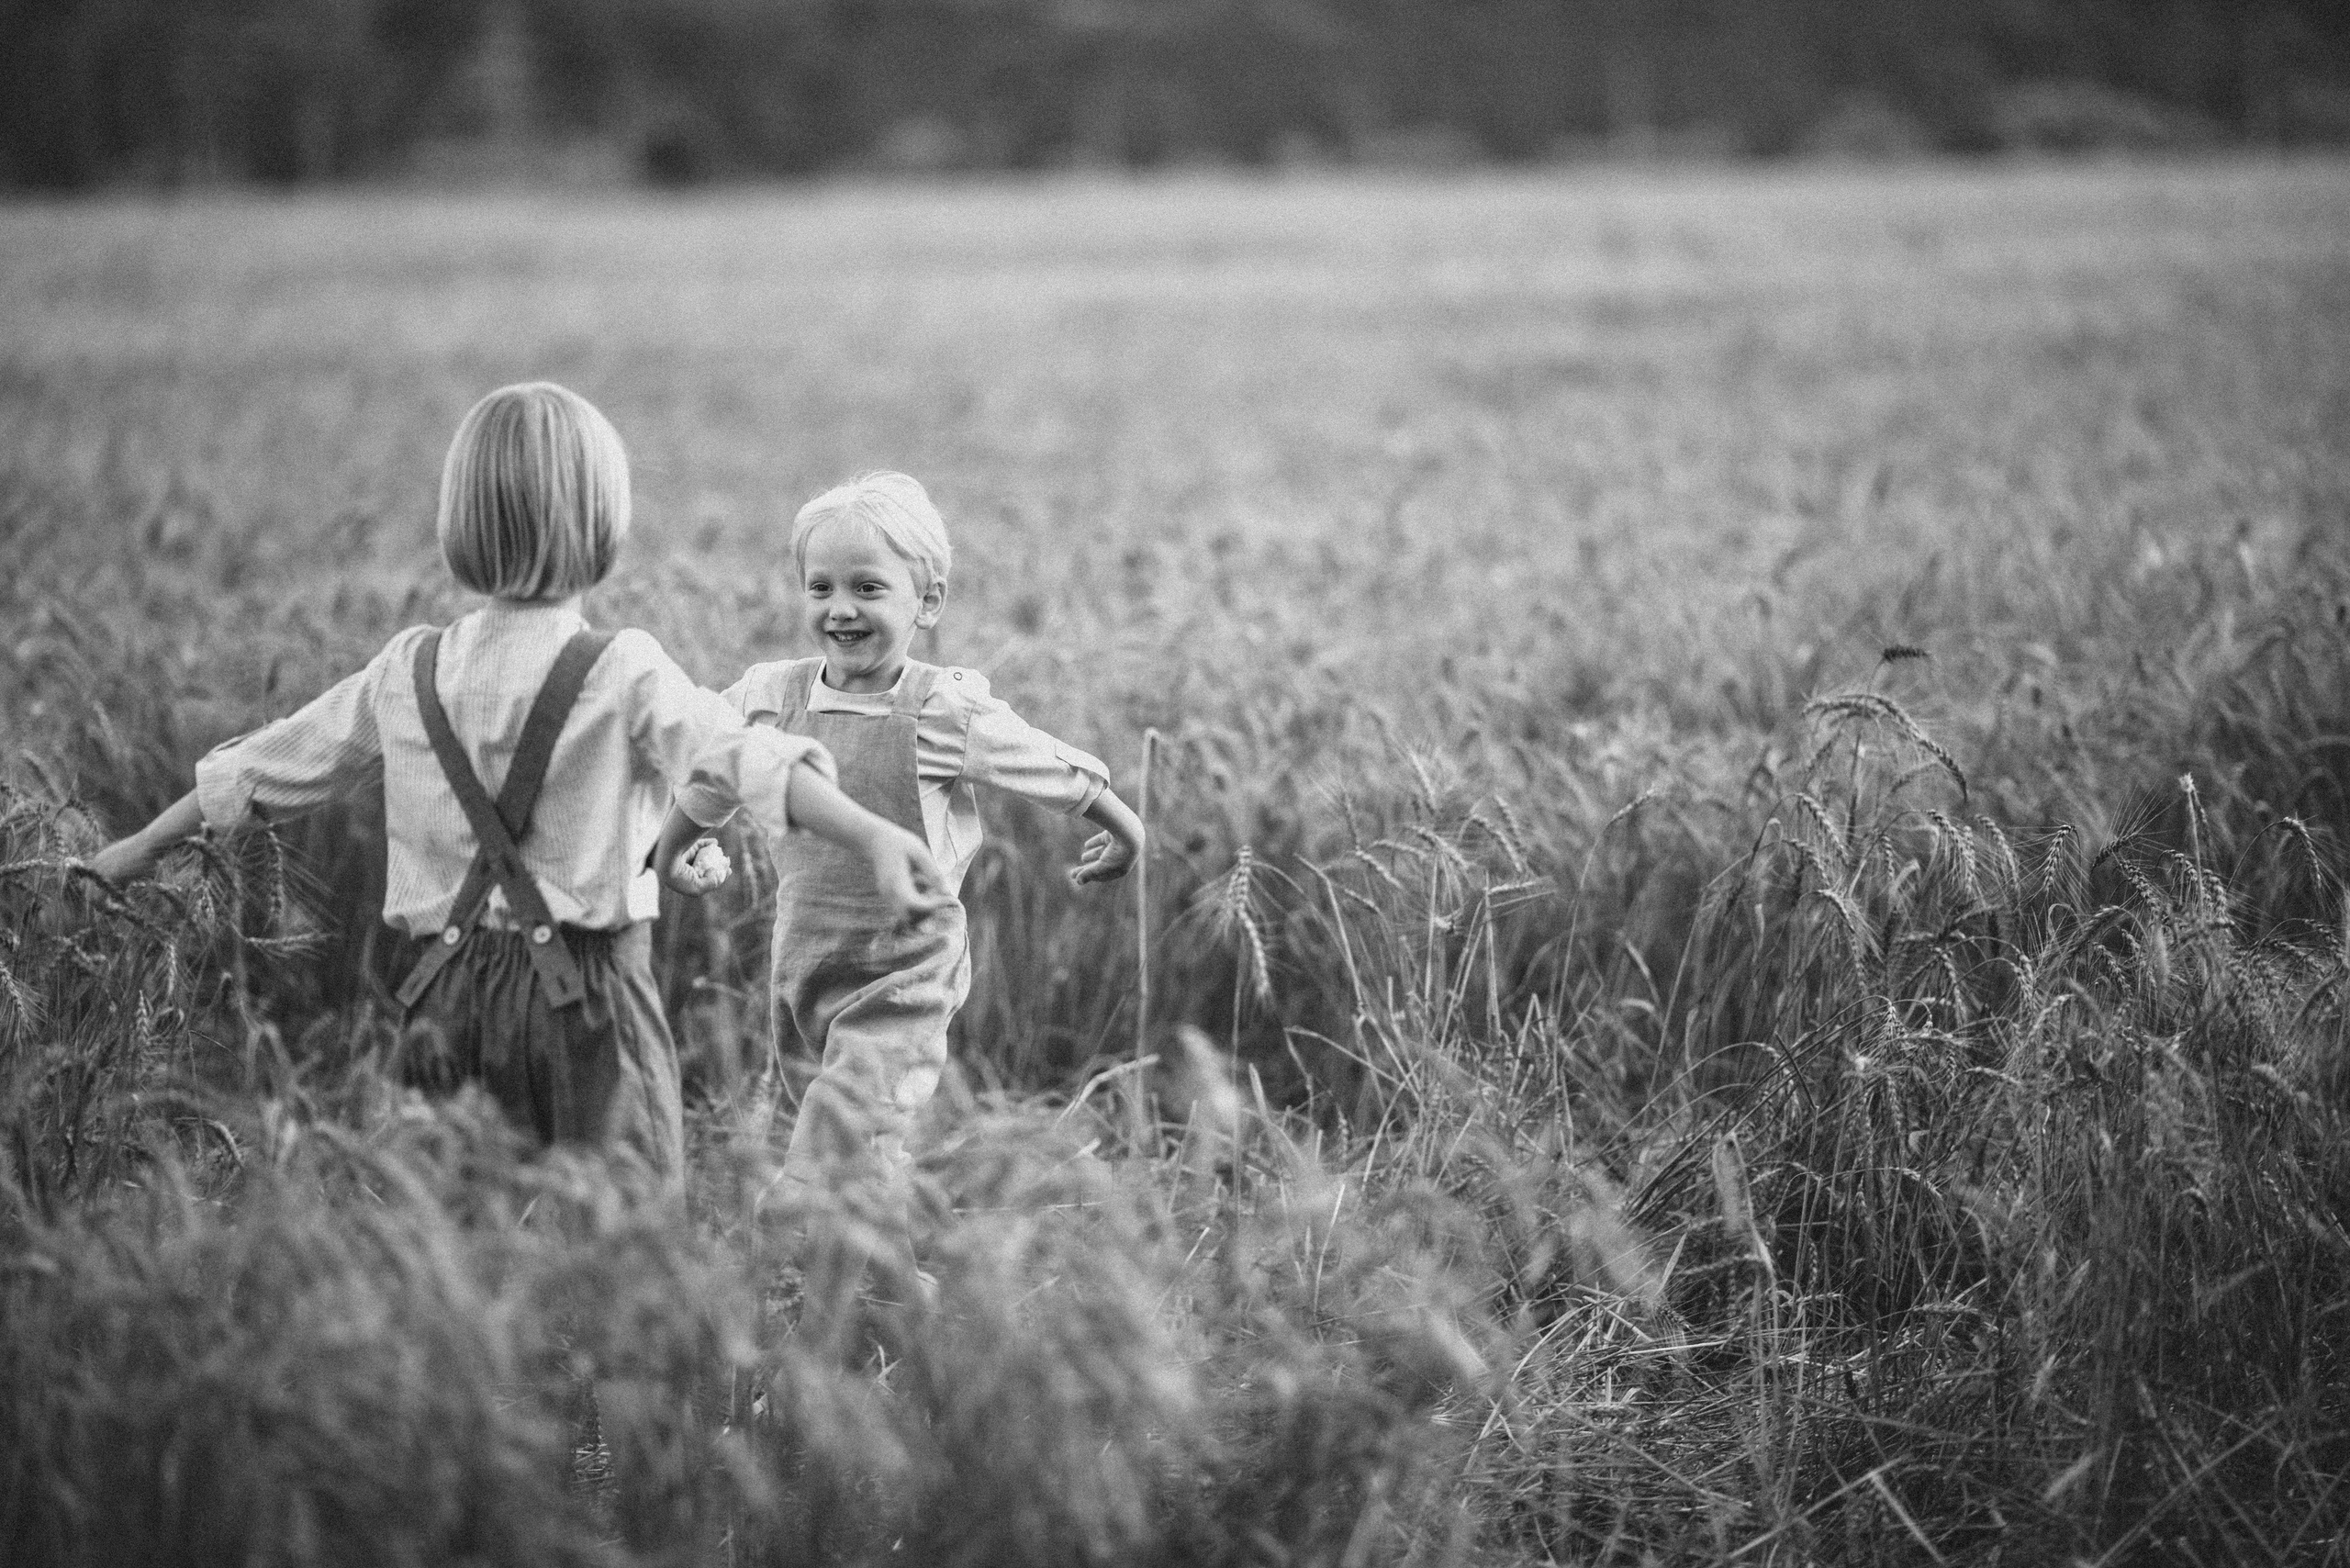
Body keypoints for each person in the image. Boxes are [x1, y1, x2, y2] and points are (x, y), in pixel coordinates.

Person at [90, 385, 952, 1192]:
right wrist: (871, 833)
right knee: (620, 1236)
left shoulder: (407, 670)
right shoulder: (622, 671)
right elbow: (747, 760)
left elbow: (261, 771)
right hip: (590, 1004)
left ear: (458, 523)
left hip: (440, 996)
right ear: (602, 524)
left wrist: (131, 852)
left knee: (459, 1236)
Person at [655, 471, 1145, 1233]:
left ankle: (789, 1234)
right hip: (804, 957)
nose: (840, 608)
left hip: (907, 968)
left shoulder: (942, 709)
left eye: (868, 588)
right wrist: (681, 846)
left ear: (928, 601)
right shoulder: (769, 697)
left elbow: (1046, 764)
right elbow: (714, 770)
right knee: (859, 1143)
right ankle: (898, 1282)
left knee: (840, 1135)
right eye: (820, 587)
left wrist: (1124, 826)